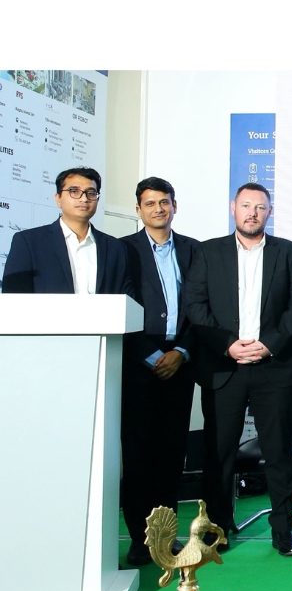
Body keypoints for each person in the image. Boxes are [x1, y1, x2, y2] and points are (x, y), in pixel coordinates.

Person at [184, 182, 292, 556]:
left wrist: (269, 343)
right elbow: (195, 305)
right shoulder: (207, 252)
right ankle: (217, 529)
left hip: (274, 366)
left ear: (269, 212)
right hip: (225, 367)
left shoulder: (288, 252)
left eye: (260, 207)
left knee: (278, 452)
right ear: (233, 208)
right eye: (246, 206)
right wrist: (228, 344)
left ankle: (282, 530)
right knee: (219, 453)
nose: (252, 213)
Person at [118, 177, 201, 566]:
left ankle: (165, 538)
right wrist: (151, 356)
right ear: (138, 209)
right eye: (149, 203)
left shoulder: (194, 250)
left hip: (180, 364)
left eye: (164, 202)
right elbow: (119, 304)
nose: (158, 209)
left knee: (172, 456)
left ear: (174, 206)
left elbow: (201, 307)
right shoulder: (122, 250)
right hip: (138, 364)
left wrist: (182, 351)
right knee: (138, 457)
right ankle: (140, 539)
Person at [2, 166, 132, 296]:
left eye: (91, 193)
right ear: (58, 198)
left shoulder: (115, 248)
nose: (84, 199)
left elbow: (127, 300)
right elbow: (14, 297)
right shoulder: (29, 242)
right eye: (74, 191)